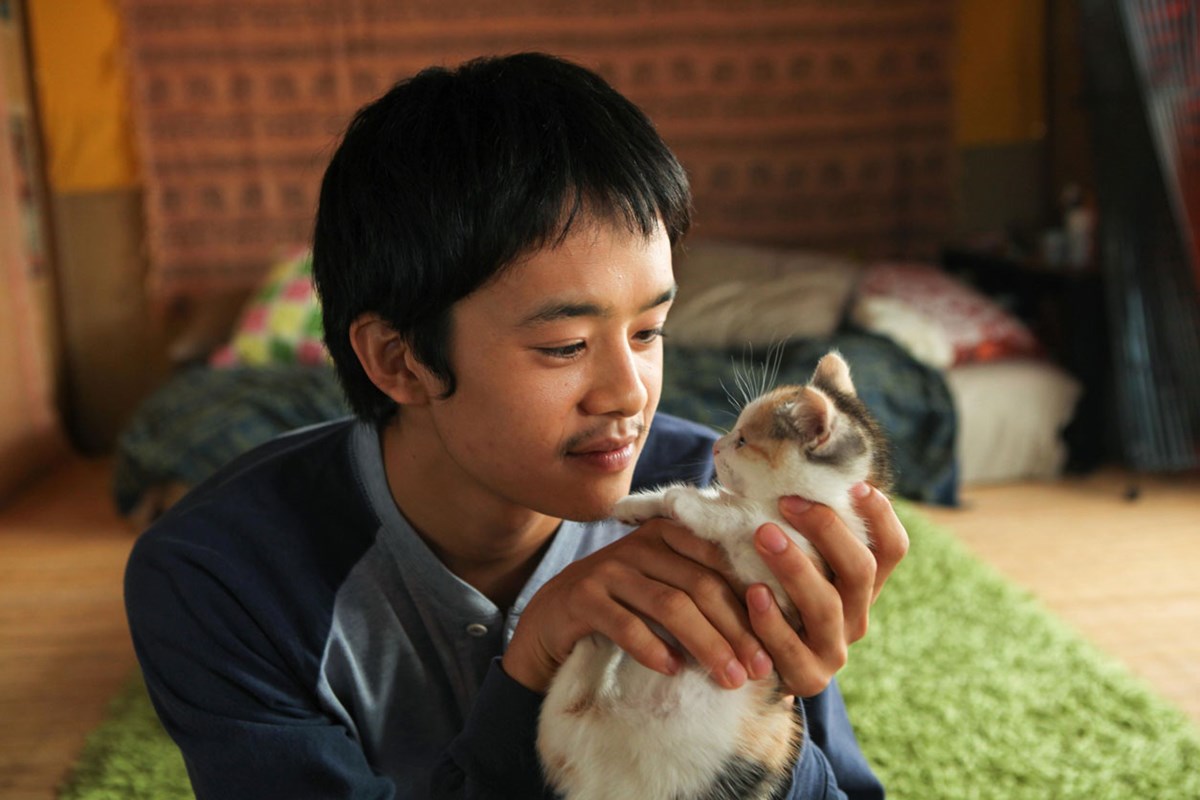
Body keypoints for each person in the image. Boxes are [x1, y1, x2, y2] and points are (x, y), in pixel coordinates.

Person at [124, 52, 909, 799]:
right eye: (565, 345)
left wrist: (771, 711)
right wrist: (531, 669)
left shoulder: (720, 503)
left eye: (649, 331)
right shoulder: (222, 574)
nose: (629, 395)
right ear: (400, 360)